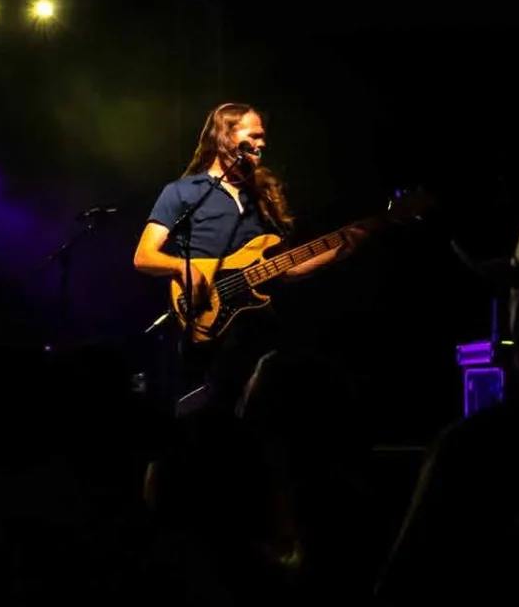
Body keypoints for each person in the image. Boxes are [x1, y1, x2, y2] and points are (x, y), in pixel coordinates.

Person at [130, 102, 352, 404]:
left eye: (263, 136)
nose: (263, 143)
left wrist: (343, 245)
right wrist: (184, 268)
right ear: (225, 137)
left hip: (258, 326)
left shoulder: (263, 196)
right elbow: (144, 256)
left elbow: (286, 269)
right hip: (206, 324)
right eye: (254, 136)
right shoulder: (182, 191)